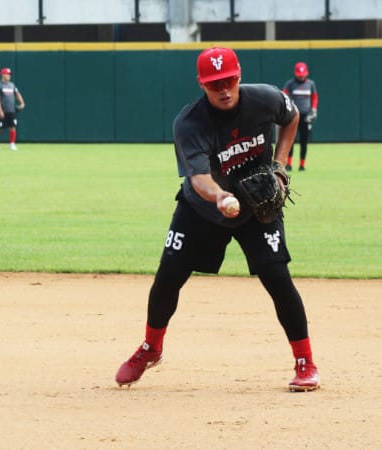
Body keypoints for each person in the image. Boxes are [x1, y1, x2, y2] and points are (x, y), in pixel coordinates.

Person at [114, 47, 320, 392]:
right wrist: (221, 196)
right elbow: (198, 178)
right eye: (214, 84)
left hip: (257, 203)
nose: (223, 89)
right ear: (201, 84)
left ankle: (305, 361)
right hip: (201, 208)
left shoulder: (266, 98)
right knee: (168, 277)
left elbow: (292, 117)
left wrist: (281, 167)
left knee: (276, 276)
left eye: (229, 80)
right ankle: (151, 348)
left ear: (239, 76)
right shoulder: (190, 122)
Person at [281, 62, 318, 171]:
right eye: (299, 74)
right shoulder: (290, 84)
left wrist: (314, 110)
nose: (301, 76)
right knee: (291, 140)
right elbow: (283, 95)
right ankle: (289, 164)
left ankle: (302, 164)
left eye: (303, 74)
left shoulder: (310, 84)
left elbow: (314, 97)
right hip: (293, 115)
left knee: (304, 141)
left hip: (306, 116)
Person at [0, 67, 25, 151]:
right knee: (0, 127)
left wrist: (22, 103)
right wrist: (0, 110)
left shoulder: (12, 85)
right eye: (7, 74)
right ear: (3, 74)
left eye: (10, 74)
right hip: (3, 110)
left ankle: (12, 144)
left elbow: (17, 94)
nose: (9, 76)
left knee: (13, 126)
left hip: (12, 110)